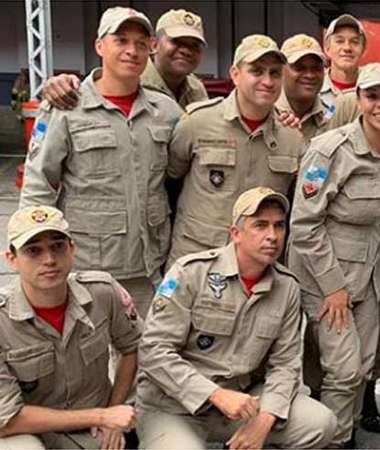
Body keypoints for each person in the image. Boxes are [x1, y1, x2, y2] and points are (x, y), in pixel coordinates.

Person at [136, 187, 336, 450]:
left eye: (279, 226)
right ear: (235, 234)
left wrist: (265, 419)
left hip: (241, 402)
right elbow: (154, 351)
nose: (272, 236)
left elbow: (285, 364)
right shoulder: (190, 273)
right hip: (174, 405)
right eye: (260, 225)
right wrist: (215, 395)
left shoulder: (286, 287)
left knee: (321, 423)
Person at [20, 7, 183, 318]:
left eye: (140, 43)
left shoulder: (166, 110)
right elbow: (38, 184)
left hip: (149, 267)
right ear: (99, 46)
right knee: (88, 360)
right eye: (121, 40)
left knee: (146, 356)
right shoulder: (66, 107)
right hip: (88, 270)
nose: (132, 51)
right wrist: (37, 257)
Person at [287, 63, 380, 448]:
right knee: (342, 368)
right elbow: (304, 224)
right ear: (358, 100)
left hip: (371, 273)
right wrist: (333, 287)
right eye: (373, 96)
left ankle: (345, 430)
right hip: (328, 275)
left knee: (364, 363)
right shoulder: (330, 150)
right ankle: (332, 440)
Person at [0, 206, 141, 450]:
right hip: (30, 434)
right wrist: (100, 416)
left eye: (58, 246)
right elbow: (7, 419)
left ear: (72, 249)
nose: (49, 260)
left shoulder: (102, 292)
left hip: (96, 431)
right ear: (11, 259)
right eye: (33, 251)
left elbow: (132, 348)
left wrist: (113, 411)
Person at [166, 34, 304, 267]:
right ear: (235, 74)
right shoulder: (197, 122)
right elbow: (170, 180)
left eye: (275, 73)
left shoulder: (292, 138)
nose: (267, 81)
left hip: (258, 269)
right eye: (257, 71)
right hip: (198, 262)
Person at [42, 9, 208, 111]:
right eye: (177, 42)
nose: (186, 50)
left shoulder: (196, 89)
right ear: (155, 45)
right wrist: (58, 84)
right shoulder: (130, 81)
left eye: (195, 45)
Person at [276, 34, 335, 143]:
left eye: (316, 68)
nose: (309, 75)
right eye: (300, 68)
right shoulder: (267, 115)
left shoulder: (332, 119)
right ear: (281, 70)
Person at [320, 14, 367, 106]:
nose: (347, 48)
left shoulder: (373, 86)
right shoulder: (313, 86)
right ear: (327, 48)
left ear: (364, 50)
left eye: (355, 42)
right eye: (339, 41)